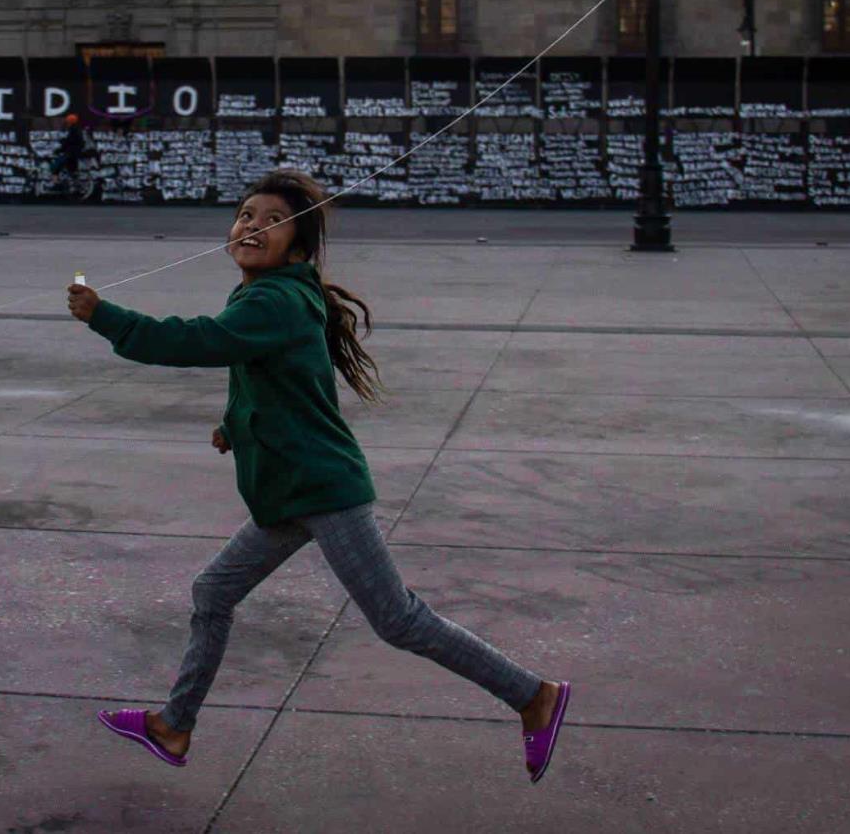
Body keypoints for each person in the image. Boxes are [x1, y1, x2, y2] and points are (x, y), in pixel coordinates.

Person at [65, 169, 571, 783]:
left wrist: (105, 317)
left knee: (399, 619)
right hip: (289, 494)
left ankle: (533, 696)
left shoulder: (275, 299)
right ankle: (174, 727)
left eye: (270, 221)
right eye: (245, 214)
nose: (251, 225)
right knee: (214, 592)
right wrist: (235, 425)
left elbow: (201, 342)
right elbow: (266, 375)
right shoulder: (267, 294)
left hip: (323, 491)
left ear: (299, 248)